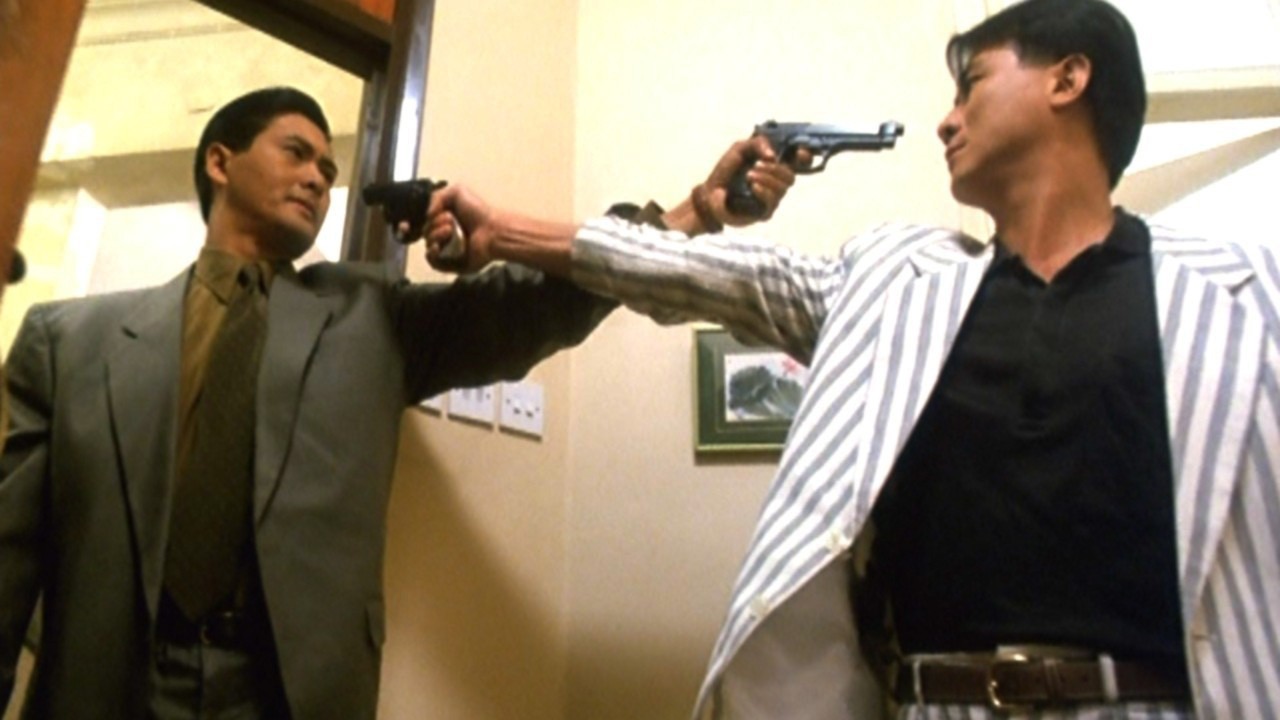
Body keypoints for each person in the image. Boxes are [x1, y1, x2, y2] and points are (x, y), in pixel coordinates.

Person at [422, 0, 1280, 717]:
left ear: (1068, 78)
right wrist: (505, 232)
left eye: (972, 85)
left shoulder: (1250, 293)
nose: (945, 118)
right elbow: (687, 272)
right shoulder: (892, 281)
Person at [0, 86, 620, 719]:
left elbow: (539, 305)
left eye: (327, 169)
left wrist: (660, 230)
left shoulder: (376, 318)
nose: (318, 179)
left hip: (288, 695)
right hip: (105, 689)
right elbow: (8, 555)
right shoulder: (68, 343)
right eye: (296, 153)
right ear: (220, 162)